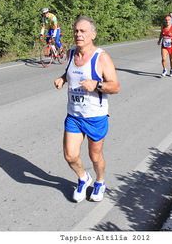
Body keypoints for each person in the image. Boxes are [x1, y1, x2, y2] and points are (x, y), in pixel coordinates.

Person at [54, 16, 120, 203]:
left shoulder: (102, 58)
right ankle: (84, 178)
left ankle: (99, 181)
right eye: (76, 31)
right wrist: (62, 79)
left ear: (93, 34)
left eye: (83, 31)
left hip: (95, 117)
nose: (78, 34)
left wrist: (97, 85)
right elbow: (70, 73)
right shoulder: (70, 54)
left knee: (95, 156)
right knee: (70, 155)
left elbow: (115, 86)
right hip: (74, 115)